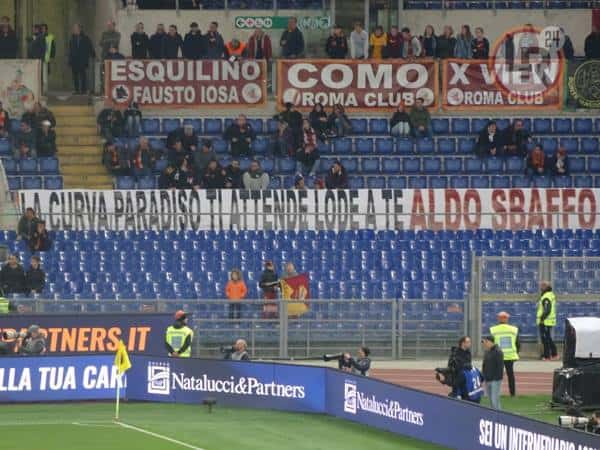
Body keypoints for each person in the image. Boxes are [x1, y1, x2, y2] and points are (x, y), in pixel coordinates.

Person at [490, 311, 520, 397]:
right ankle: (512, 393)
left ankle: (495, 393)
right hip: (510, 356)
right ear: (507, 319)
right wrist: (516, 352)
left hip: (497, 356)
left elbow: (491, 344)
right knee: (510, 375)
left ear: (498, 319)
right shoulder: (514, 329)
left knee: (497, 375)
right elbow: (518, 343)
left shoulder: (493, 329)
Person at [68, 24, 95, 95]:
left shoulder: (85, 38)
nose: (74, 30)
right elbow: (70, 50)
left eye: (75, 29)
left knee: (83, 75)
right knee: (75, 76)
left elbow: (90, 47)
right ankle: (76, 90)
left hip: (82, 59)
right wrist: (70, 60)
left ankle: (83, 90)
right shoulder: (72, 39)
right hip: (74, 60)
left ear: (79, 29)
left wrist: (93, 55)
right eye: (74, 29)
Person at [537, 281, 558, 361]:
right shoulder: (549, 295)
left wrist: (542, 319)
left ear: (545, 287)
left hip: (545, 321)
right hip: (547, 321)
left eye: (542, 286)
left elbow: (547, 310)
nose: (540, 287)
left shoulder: (546, 297)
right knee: (547, 338)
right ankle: (553, 354)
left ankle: (547, 356)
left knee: (545, 339)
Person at [482, 335, 504, 410]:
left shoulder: (498, 352)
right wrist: (484, 376)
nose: (484, 344)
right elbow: (484, 365)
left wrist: (496, 379)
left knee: (495, 400)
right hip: (488, 379)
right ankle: (493, 415)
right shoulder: (487, 352)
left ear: (490, 342)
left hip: (495, 380)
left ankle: (499, 415)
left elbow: (500, 367)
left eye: (486, 342)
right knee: (491, 400)